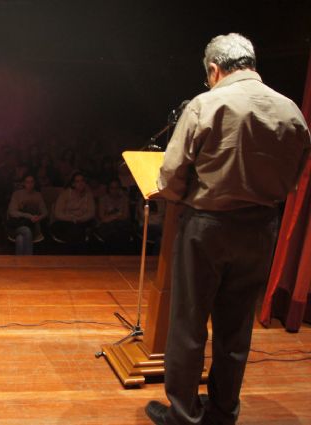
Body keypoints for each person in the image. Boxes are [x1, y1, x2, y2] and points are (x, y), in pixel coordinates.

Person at [145, 33, 310, 425]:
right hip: (261, 228)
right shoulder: (291, 111)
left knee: (188, 324)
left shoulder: (207, 103)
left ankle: (183, 415)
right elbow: (294, 178)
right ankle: (223, 411)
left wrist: (182, 192)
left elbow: (169, 176)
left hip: (207, 227)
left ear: (214, 70)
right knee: (235, 328)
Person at [50, 171, 96, 246]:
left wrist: (80, 219)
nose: (80, 183)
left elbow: (91, 213)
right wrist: (72, 218)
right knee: (73, 231)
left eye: (82, 180)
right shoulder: (65, 194)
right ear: (73, 184)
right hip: (66, 222)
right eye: (77, 181)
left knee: (82, 230)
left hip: (83, 222)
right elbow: (58, 213)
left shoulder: (89, 195)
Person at [6, 174, 48, 255]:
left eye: (32, 182)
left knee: (20, 239)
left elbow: (45, 212)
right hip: (18, 225)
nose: (30, 184)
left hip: (33, 225)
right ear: (23, 183)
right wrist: (29, 216)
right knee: (26, 231)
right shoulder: (17, 194)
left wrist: (38, 218)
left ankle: (20, 265)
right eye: (27, 182)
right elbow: (12, 211)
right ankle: (29, 262)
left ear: (34, 183)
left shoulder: (38, 195)